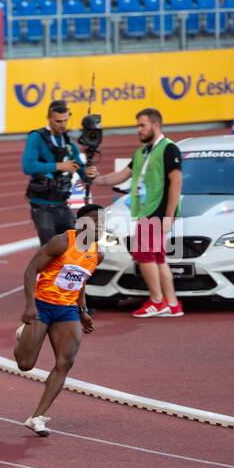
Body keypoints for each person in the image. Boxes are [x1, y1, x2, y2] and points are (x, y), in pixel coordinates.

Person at [14, 204, 106, 436]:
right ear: (81, 222)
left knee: (65, 362)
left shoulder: (98, 253)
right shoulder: (62, 242)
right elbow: (30, 269)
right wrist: (29, 305)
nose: (100, 225)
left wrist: (82, 310)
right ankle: (22, 335)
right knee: (25, 364)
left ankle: (37, 417)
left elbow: (80, 281)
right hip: (43, 306)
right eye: (95, 220)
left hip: (67, 311)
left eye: (103, 221)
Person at [91, 107, 183, 318]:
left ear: (156, 125)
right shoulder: (142, 152)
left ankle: (156, 301)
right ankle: (172, 303)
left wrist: (169, 217)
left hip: (156, 212)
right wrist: (95, 179)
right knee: (158, 259)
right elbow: (121, 176)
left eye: (142, 125)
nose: (138, 130)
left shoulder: (169, 149)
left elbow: (176, 182)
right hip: (145, 211)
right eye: (137, 126)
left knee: (143, 255)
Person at [21, 99, 96, 245]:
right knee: (51, 249)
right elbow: (28, 167)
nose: (62, 125)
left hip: (62, 203)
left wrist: (90, 172)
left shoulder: (69, 144)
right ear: (48, 118)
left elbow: (83, 174)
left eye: (65, 121)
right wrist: (59, 166)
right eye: (58, 121)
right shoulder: (36, 137)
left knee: (72, 247)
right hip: (41, 205)